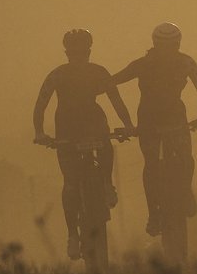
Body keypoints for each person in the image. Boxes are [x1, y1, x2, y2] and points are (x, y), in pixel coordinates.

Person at [33, 29, 136, 260]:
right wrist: (128, 125)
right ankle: (77, 228)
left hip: (71, 128)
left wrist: (40, 132)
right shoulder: (97, 72)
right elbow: (116, 100)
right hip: (82, 127)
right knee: (75, 178)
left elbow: (40, 105)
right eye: (76, 53)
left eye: (80, 52)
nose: (79, 56)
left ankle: (76, 230)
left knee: (71, 182)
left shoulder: (58, 74)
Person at [112, 22, 197, 236]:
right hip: (171, 119)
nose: (169, 52)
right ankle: (178, 197)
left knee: (155, 164)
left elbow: (111, 82)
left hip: (151, 119)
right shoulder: (185, 62)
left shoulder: (143, 64)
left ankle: (159, 211)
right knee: (179, 159)